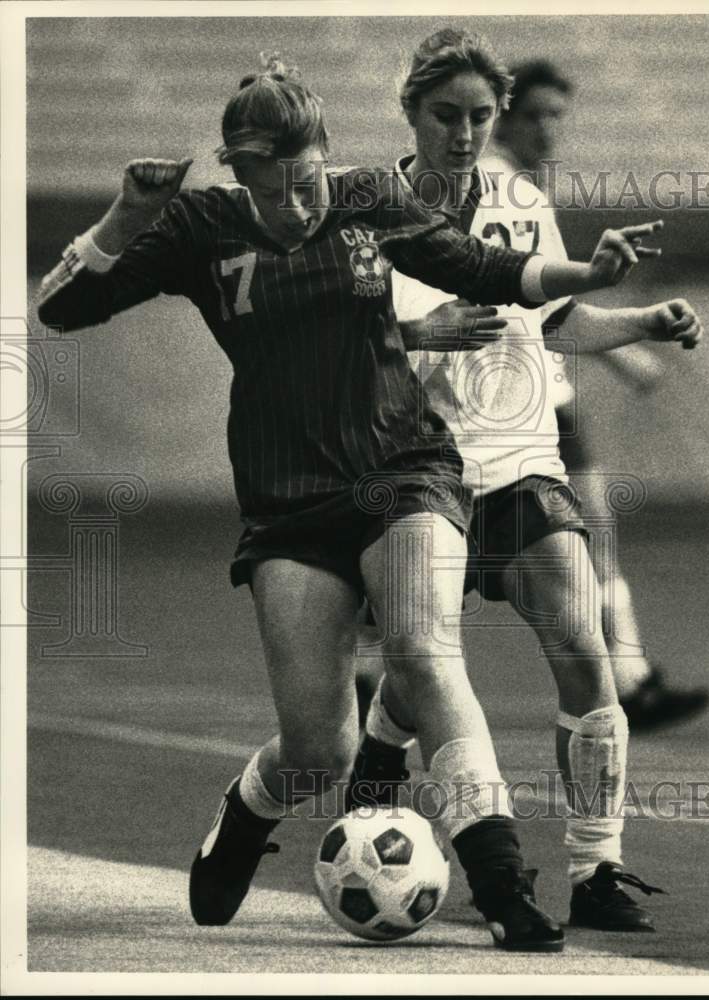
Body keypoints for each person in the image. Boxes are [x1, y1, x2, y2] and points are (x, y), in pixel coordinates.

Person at [36, 56, 658, 952]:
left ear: (326, 155)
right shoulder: (198, 226)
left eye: (307, 178)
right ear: (235, 171)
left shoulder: (364, 198)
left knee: (421, 647)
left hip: (406, 471)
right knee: (318, 750)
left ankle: (502, 880)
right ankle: (246, 812)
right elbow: (62, 309)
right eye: (275, 185)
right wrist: (125, 215)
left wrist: (584, 277)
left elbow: (481, 267)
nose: (299, 203)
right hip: (289, 504)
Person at [349, 28, 703, 933]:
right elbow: (330, 348)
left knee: (585, 650)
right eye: (447, 115)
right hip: (419, 473)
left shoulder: (516, 197)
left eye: (480, 116)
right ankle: (384, 748)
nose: (466, 133)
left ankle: (595, 870)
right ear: (410, 111)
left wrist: (640, 325)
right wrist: (419, 341)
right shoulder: (369, 214)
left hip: (520, 466)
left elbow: (555, 318)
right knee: (420, 663)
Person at [486, 58, 709, 728]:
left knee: (586, 543)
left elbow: (547, 304)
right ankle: (371, 671)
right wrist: (631, 350)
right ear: (503, 115)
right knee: (485, 559)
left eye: (557, 116)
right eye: (534, 115)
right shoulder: (502, 192)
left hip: (544, 397)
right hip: (506, 406)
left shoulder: (522, 189)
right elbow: (529, 305)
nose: (549, 130)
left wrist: (630, 347)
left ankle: (630, 679)